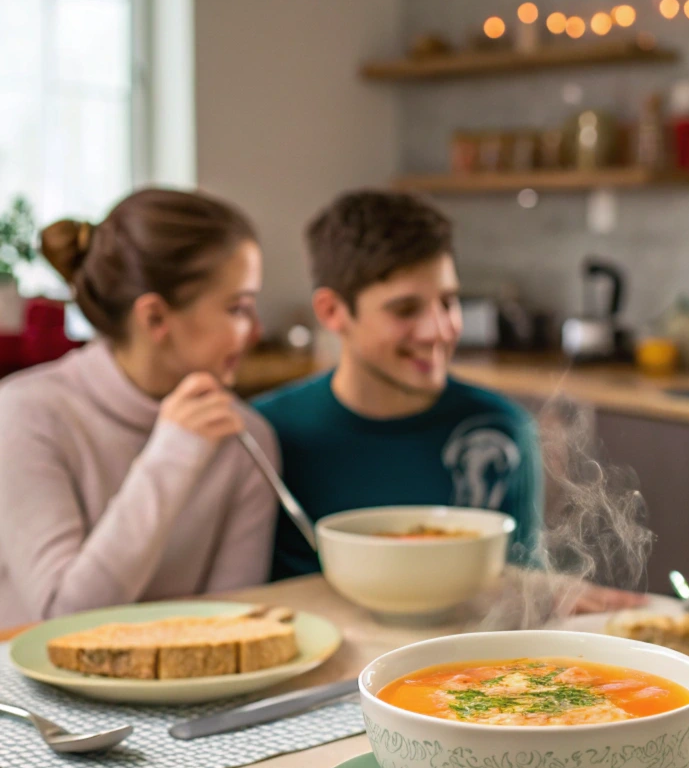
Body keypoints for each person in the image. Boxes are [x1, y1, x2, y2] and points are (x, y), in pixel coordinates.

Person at [0, 188, 279, 625]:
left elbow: (233, 625)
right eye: (238, 308)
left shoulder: (246, 434)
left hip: (195, 690)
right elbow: (63, 619)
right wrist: (173, 454)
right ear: (154, 319)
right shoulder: (25, 415)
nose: (257, 330)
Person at [255, 190, 544, 582]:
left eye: (448, 302)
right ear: (332, 311)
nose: (438, 331)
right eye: (406, 310)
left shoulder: (501, 429)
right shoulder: (263, 436)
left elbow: (525, 592)